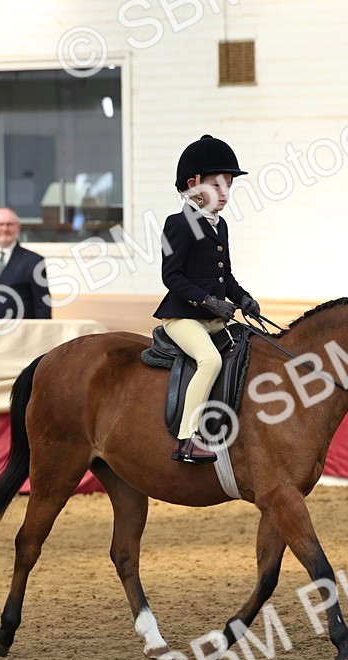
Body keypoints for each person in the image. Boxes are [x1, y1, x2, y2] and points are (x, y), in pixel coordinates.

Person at [153, 135, 261, 464]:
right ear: (193, 184)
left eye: (229, 185)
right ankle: (187, 439)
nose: (226, 193)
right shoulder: (178, 224)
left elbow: (223, 275)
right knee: (210, 361)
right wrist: (208, 302)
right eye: (218, 185)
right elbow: (171, 277)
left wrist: (242, 298)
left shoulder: (220, 226)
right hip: (183, 318)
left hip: (214, 317)